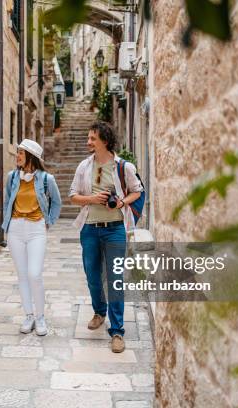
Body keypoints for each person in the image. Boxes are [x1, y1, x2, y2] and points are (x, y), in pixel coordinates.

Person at [69, 121, 143, 353]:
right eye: (89, 138)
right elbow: (73, 195)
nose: (88, 142)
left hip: (115, 229)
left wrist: (122, 201)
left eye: (92, 138)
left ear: (105, 141)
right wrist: (92, 199)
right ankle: (99, 312)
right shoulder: (84, 166)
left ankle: (118, 330)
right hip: (90, 228)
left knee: (115, 278)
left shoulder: (123, 167)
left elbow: (137, 190)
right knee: (92, 275)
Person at [2, 139, 62, 336]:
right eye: (17, 152)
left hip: (37, 229)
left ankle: (40, 317)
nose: (17, 156)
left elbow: (57, 203)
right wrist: (7, 224)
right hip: (16, 230)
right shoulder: (12, 178)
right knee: (22, 275)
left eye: (20, 153)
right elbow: (6, 203)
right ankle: (28, 315)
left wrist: (49, 222)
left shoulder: (46, 179)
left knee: (34, 274)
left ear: (31, 156)